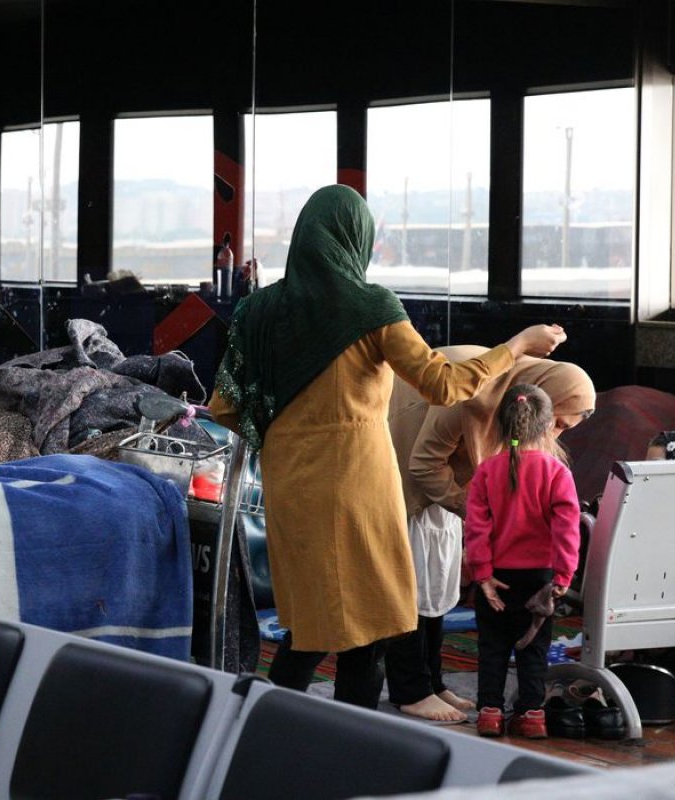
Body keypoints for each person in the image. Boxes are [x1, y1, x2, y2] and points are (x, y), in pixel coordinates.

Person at [207, 184, 567, 709]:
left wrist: (286, 438)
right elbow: (444, 384)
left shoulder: (257, 312)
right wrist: (516, 347)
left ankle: (260, 727)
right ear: (357, 240)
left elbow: (225, 406)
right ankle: (355, 740)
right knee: (370, 618)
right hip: (359, 485)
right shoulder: (372, 306)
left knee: (312, 618)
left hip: (290, 485)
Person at [385, 348, 595, 722]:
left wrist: (482, 549)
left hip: (448, 498)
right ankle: (411, 690)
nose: (554, 433)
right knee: (413, 590)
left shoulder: (505, 437)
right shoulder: (477, 392)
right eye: (557, 423)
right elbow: (423, 462)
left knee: (437, 592)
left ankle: (437, 684)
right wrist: (486, 517)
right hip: (410, 482)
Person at [466, 383, 582, 738]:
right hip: (541, 580)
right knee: (534, 648)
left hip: (497, 579)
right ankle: (531, 715)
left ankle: (489, 713)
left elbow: (476, 527)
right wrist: (564, 575)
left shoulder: (486, 471)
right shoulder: (556, 472)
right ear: (548, 426)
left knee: (492, 647)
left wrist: (482, 575)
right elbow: (567, 525)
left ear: (501, 426)